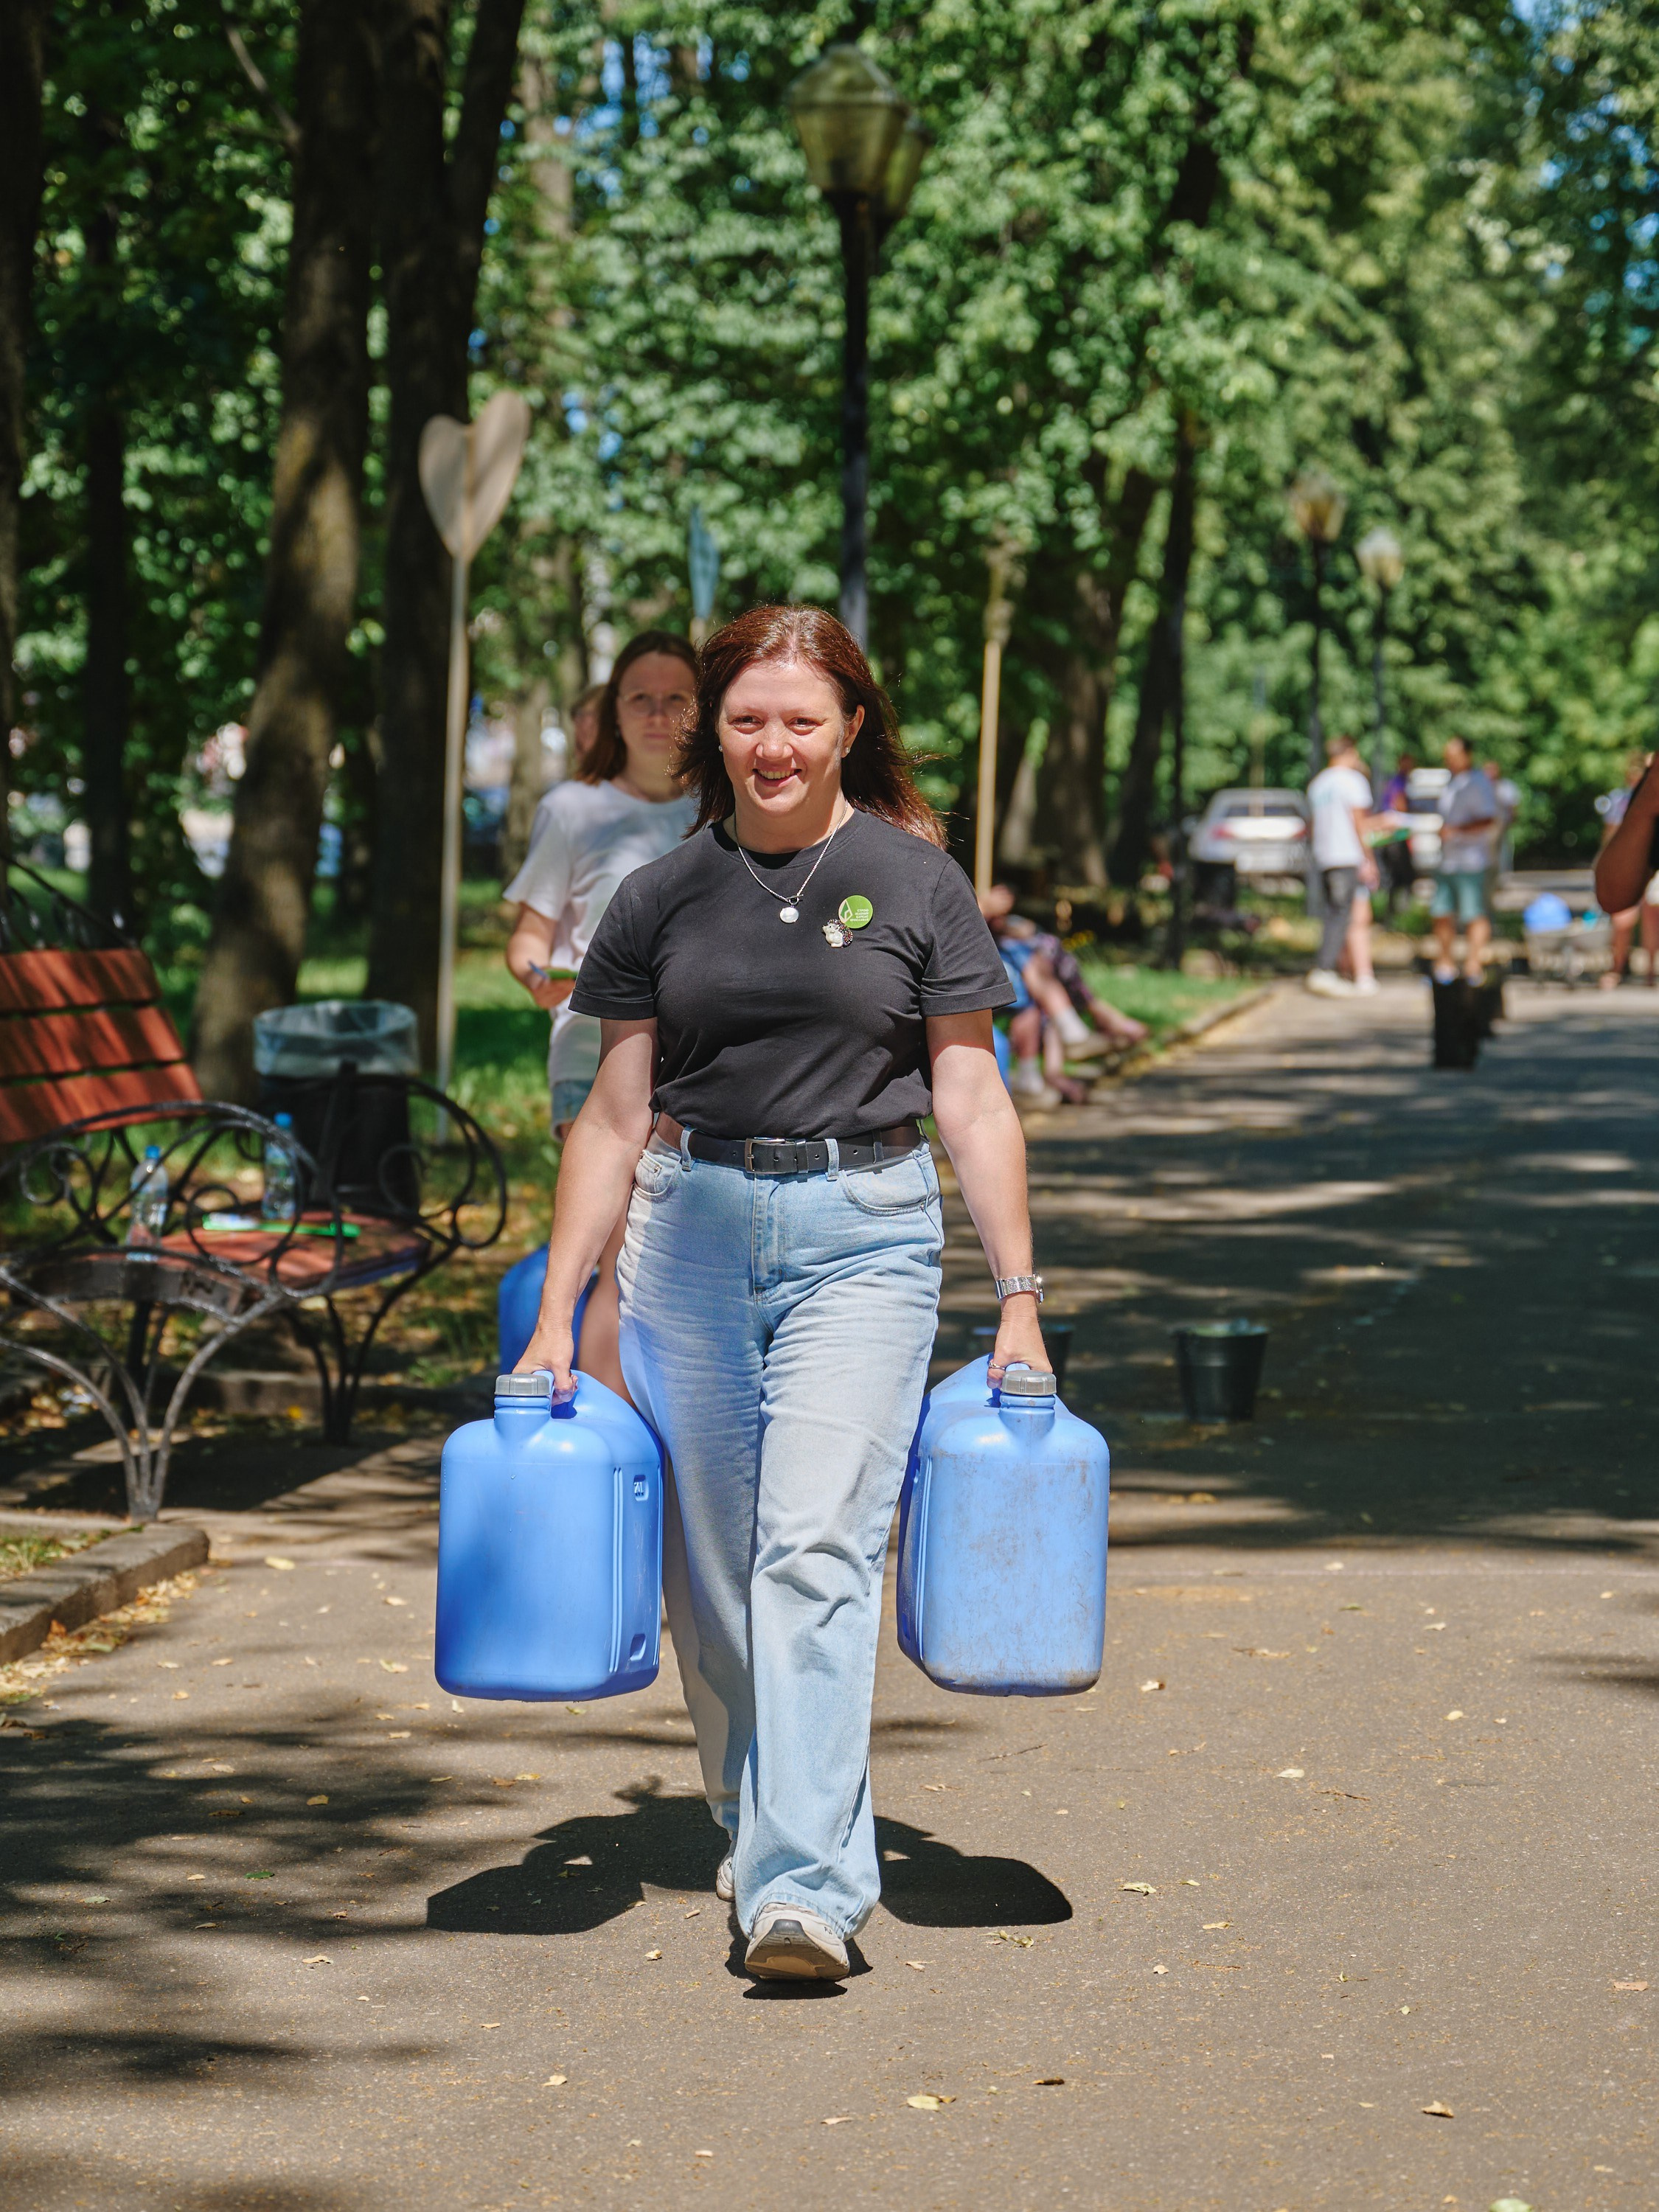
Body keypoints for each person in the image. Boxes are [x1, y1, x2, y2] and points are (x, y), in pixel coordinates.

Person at [515, 605, 1042, 1984]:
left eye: (802, 719)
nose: (773, 744)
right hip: (686, 1236)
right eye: (747, 718)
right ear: (711, 730)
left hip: (864, 1234)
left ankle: (803, 1889)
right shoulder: (661, 895)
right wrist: (559, 1307)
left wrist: (1021, 1297)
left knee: (815, 1549)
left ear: (851, 728)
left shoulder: (916, 882)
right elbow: (613, 1119)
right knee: (713, 1580)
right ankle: (763, 1825)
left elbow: (972, 1095)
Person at [503, 633, 698, 1390]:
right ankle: (612, 1446)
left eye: (675, 698)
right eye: (639, 699)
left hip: (699, 1060)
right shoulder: (574, 810)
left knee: (676, 1259)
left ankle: (667, 1457)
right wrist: (538, 977)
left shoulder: (732, 806)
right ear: (613, 712)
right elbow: (528, 938)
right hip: (595, 1053)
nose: (657, 715)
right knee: (624, 1248)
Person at [1306, 734, 1380, 996]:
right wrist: (1368, 858)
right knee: (1341, 914)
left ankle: (1339, 970)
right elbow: (1359, 823)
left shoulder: (1318, 784)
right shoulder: (1352, 780)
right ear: (1349, 752)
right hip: (1347, 855)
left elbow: (1312, 825)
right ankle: (1325, 970)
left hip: (1325, 856)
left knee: (1335, 913)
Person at [1430, 736, 1498, 983]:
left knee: (1473, 913)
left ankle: (1473, 964)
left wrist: (1457, 831)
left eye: (1453, 755)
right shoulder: (1451, 783)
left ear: (1467, 755)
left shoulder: (1479, 782)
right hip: (1447, 860)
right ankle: (1445, 963)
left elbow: (1488, 819)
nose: (1449, 760)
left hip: (1471, 861)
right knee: (1441, 912)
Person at [1595, 752, 1659, 988]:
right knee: (1624, 920)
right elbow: (1612, 897)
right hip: (1630, 859)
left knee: (1652, 919)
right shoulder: (1626, 798)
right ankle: (1618, 967)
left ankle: (1650, 972)